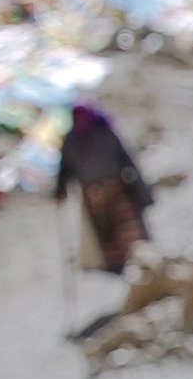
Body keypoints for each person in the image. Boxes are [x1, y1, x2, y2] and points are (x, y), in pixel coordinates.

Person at [53, 101, 154, 274]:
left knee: (126, 228)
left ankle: (139, 261)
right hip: (91, 194)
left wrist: (140, 188)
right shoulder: (71, 140)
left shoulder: (105, 133)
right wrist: (60, 190)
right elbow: (65, 169)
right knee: (104, 232)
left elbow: (126, 159)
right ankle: (117, 266)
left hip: (115, 188)